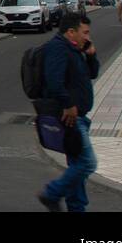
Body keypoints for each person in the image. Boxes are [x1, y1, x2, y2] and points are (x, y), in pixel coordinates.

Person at [38, 13, 101, 212]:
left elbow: (92, 74)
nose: (88, 37)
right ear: (71, 32)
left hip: (78, 116)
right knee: (87, 163)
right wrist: (68, 104)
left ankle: (76, 207)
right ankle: (51, 193)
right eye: (85, 32)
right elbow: (54, 82)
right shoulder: (57, 48)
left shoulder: (73, 49)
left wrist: (91, 56)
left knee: (76, 163)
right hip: (69, 116)